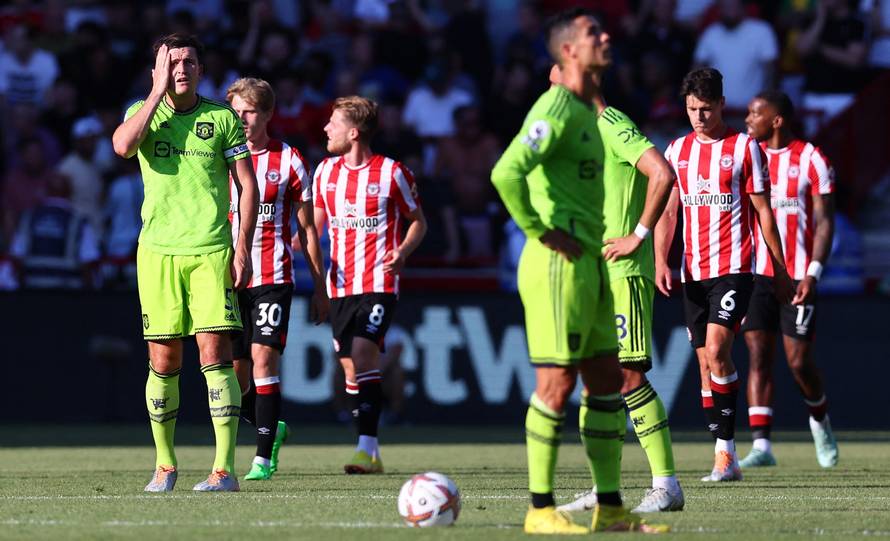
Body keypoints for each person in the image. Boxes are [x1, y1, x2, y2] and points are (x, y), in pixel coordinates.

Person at [491, 9, 669, 534]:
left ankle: (611, 507)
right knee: (556, 382)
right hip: (557, 264)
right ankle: (540, 510)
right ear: (568, 50)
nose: (606, 36)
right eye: (594, 32)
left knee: (606, 382)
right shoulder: (558, 108)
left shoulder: (595, 113)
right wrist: (541, 232)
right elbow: (506, 172)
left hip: (591, 261)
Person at [111, 33, 259, 492]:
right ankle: (165, 466)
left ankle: (224, 470)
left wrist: (242, 246)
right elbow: (121, 148)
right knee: (163, 359)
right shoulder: (141, 112)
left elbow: (247, 185)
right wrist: (155, 92)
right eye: (171, 62)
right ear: (158, 69)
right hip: (156, 252)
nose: (181, 68)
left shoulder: (221, 117)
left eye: (189, 61)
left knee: (215, 356)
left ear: (201, 68)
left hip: (210, 249)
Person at [546, 62, 683, 512]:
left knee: (629, 376)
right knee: (595, 383)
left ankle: (666, 485)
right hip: (595, 276)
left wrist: (638, 237)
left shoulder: (612, 124)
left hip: (625, 275)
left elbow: (663, 174)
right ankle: (605, 486)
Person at [654, 67, 793, 483]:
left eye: (707, 109)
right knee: (703, 365)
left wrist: (781, 269)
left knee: (717, 351)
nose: (699, 116)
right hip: (692, 271)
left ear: (720, 104)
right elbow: (669, 210)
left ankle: (727, 455)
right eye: (693, 108)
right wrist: (662, 259)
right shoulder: (677, 150)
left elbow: (764, 212)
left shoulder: (745, 148)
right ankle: (723, 453)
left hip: (734, 268)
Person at [313, 95, 427, 474]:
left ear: (354, 132)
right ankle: (371, 451)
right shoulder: (325, 172)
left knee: (363, 353)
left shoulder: (392, 172)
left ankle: (366, 447)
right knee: (349, 367)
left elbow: (418, 221)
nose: (326, 128)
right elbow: (313, 227)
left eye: (333, 122)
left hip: (379, 279)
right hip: (339, 284)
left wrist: (403, 251)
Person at [226, 77, 328, 481]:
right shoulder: (220, 158)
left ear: (267, 114)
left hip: (273, 275)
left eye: (249, 112)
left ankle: (262, 459)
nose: (242, 119)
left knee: (264, 358)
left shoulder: (289, 160)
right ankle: (272, 426)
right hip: (228, 276)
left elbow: (308, 231)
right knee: (235, 373)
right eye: (236, 112)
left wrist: (319, 286)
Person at [739, 90, 839, 469]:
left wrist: (814, 272)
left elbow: (825, 220)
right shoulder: (748, 157)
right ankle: (762, 446)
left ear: (776, 120)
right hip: (758, 273)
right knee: (758, 356)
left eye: (754, 113)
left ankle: (819, 422)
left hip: (798, 276)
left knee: (798, 361)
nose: (748, 119)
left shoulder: (812, 159)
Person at [9, 172, 100, 290]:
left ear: (46, 191)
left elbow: (17, 257)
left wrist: (22, 290)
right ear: (70, 192)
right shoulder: (79, 222)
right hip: (67, 296)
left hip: (32, 294)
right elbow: (88, 263)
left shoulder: (28, 218)